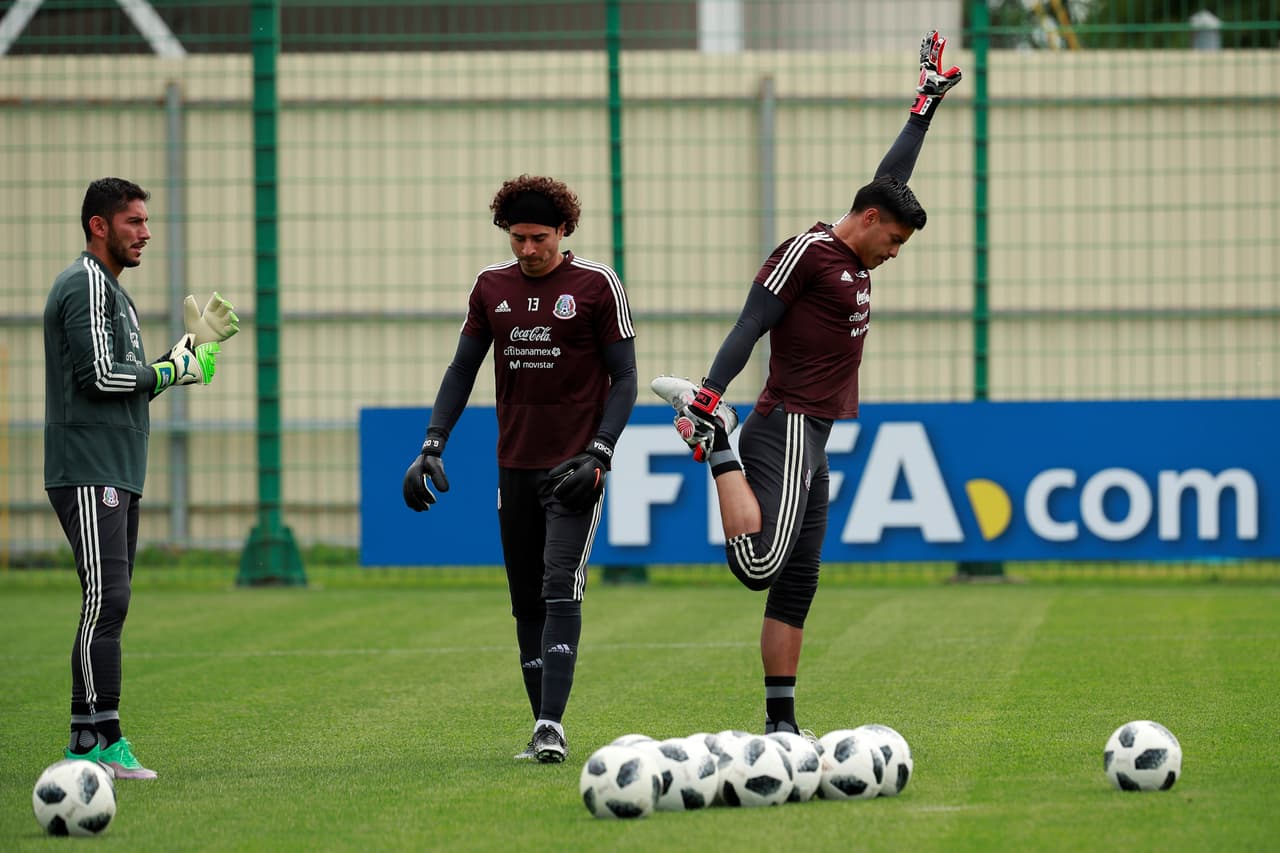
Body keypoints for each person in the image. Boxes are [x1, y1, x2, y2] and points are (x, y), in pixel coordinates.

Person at [653, 32, 963, 736]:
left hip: (815, 434)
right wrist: (709, 392)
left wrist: (923, 108)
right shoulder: (810, 252)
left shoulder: (859, 243)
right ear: (870, 221)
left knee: (797, 585)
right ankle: (719, 439)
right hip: (787, 421)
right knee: (759, 563)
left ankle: (782, 728)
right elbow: (752, 318)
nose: (893, 254)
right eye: (893, 241)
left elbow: (890, 177)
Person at [402, 175, 638, 763]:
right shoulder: (490, 287)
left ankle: (552, 725)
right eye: (517, 238)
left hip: (575, 469)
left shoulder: (597, 284)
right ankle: (541, 727)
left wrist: (601, 452)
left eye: (538, 238)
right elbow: (462, 370)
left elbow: (626, 378)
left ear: (564, 230)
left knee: (561, 585)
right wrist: (433, 443)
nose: (527, 250)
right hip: (514, 469)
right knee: (526, 601)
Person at [44, 177, 236, 779]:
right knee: (107, 600)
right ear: (99, 225)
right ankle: (105, 740)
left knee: (111, 602)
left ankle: (84, 741)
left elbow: (129, 383)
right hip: (88, 467)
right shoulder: (84, 284)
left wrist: (183, 357)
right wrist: (168, 367)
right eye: (134, 222)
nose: (146, 233)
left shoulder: (115, 295)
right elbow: (100, 378)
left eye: (147, 222)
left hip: (118, 468)